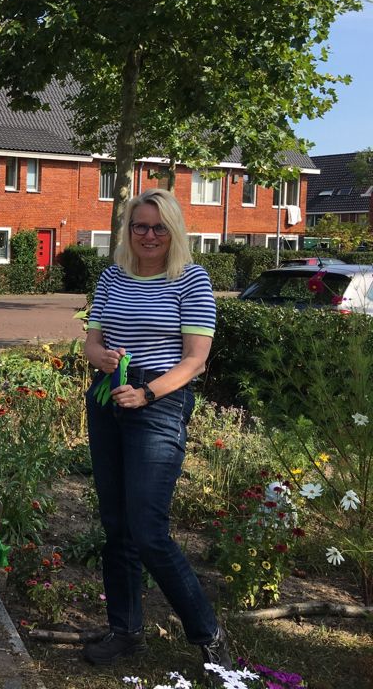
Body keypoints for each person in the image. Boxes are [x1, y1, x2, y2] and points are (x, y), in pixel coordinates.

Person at [81, 188, 231, 671]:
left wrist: (147, 394)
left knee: (148, 529)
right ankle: (125, 630)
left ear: (174, 231)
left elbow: (196, 359)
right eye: (139, 226)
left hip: (159, 402)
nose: (148, 235)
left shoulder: (191, 280)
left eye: (158, 227)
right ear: (127, 231)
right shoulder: (111, 277)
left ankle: (209, 635)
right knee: (117, 526)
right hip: (109, 398)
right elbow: (93, 338)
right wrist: (100, 357)